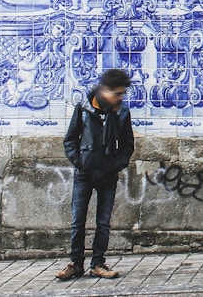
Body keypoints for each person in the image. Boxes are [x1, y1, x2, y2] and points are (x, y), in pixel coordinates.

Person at [57, 68, 134, 281]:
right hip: (85, 173)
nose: (120, 98)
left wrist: (115, 164)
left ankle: (98, 263)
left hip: (107, 175)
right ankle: (76, 263)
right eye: (116, 93)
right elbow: (70, 139)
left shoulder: (122, 113)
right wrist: (80, 161)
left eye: (122, 94)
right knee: (77, 220)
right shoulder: (83, 109)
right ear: (104, 90)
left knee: (103, 222)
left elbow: (127, 145)